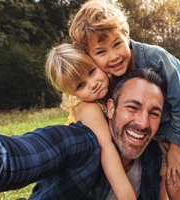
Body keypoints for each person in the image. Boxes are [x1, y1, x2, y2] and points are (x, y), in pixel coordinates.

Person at [69, 1, 180, 199]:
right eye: (101, 52)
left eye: (117, 44)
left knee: (175, 183)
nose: (114, 56)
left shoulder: (157, 58)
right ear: (90, 56)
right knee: (161, 182)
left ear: (126, 35)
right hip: (157, 131)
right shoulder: (108, 77)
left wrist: (176, 149)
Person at [0, 68, 164, 199]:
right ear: (110, 108)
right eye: (132, 107)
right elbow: (19, 156)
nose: (142, 123)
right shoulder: (81, 143)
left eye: (154, 113)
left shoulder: (154, 156)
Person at [45, 43, 136, 199]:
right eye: (81, 85)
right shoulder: (89, 108)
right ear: (70, 92)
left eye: (92, 71)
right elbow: (107, 151)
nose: (93, 84)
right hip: (79, 184)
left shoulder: (107, 93)